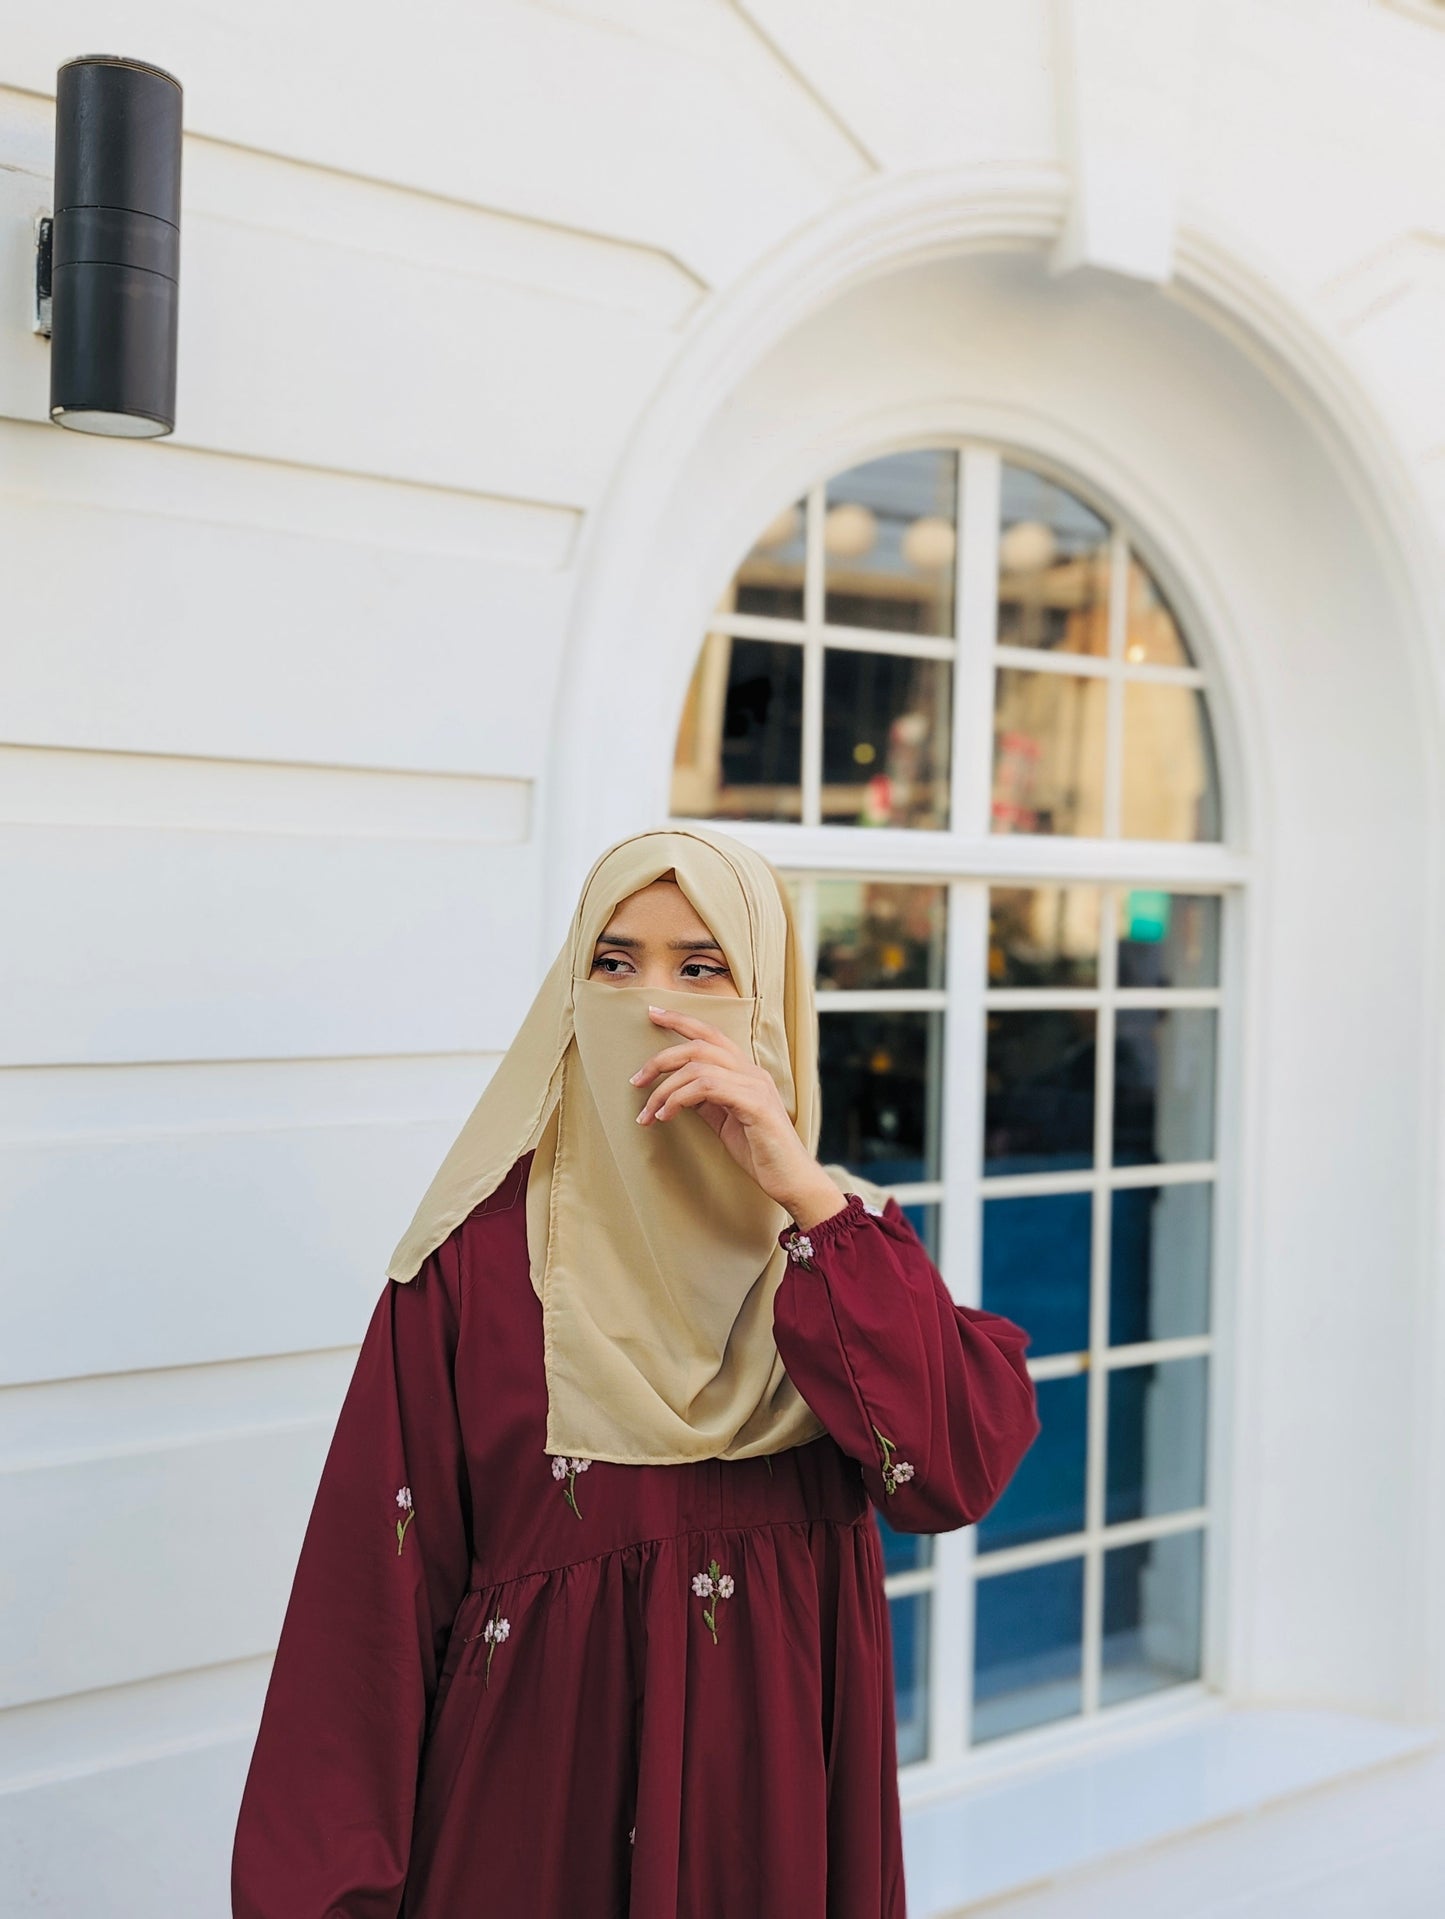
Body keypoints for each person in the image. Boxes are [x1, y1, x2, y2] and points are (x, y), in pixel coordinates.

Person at [231, 824, 1041, 1918]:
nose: (650, 1003)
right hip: (529, 1828)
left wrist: (799, 1191)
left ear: (764, 1005)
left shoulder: (848, 1242)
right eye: (613, 963)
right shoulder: (471, 1261)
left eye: (700, 967)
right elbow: (363, 1610)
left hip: (775, 1824)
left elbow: (946, 1472)